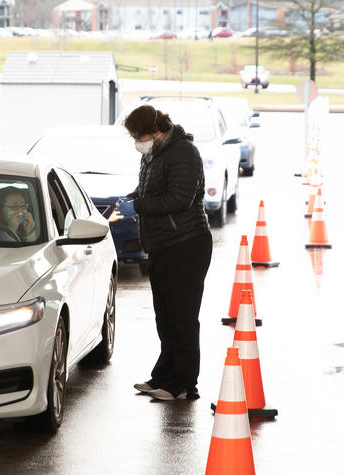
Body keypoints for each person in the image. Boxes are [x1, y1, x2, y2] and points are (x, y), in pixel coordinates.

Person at [119, 105, 212, 401]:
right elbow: (148, 189)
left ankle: (184, 384)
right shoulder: (153, 154)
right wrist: (133, 197)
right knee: (165, 317)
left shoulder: (184, 153)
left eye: (138, 136)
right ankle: (164, 375)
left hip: (186, 243)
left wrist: (140, 206)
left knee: (182, 318)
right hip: (161, 245)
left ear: (155, 131)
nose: (137, 142)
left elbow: (180, 199)